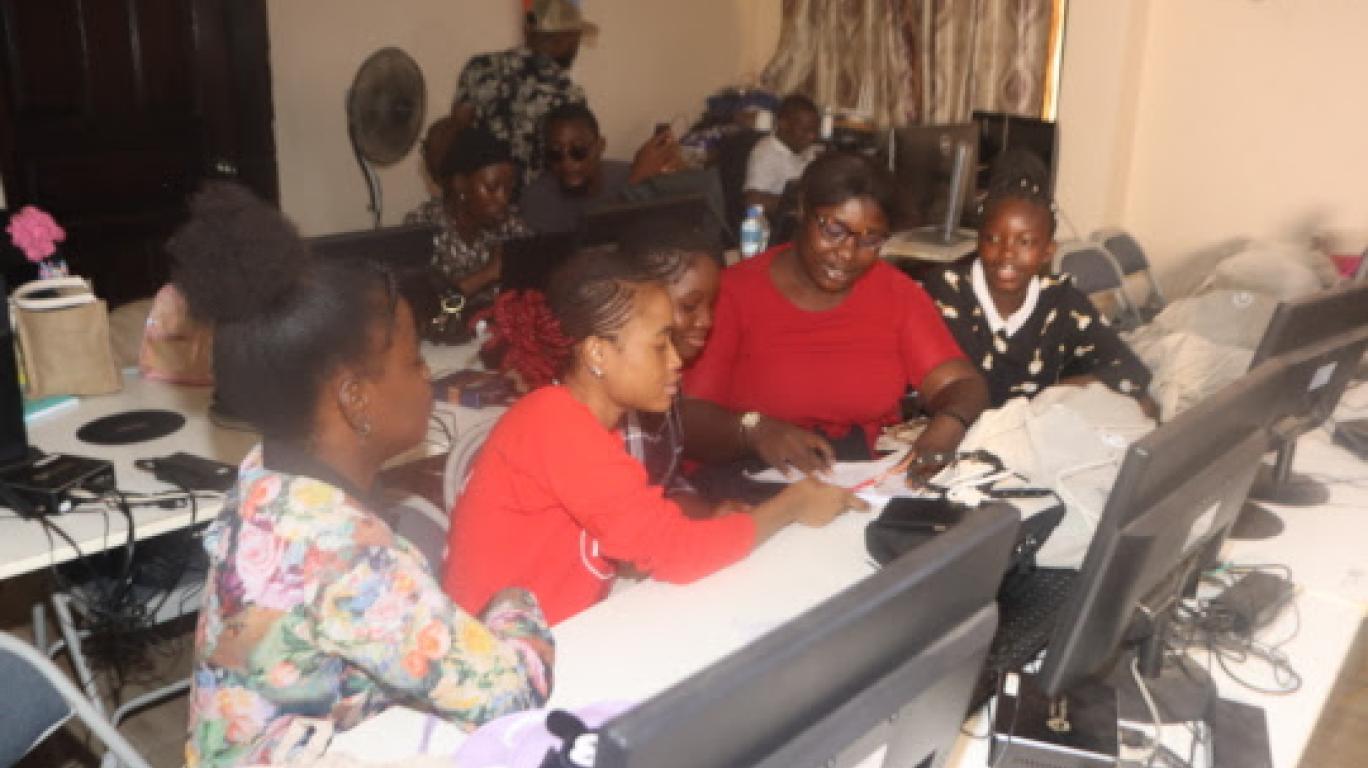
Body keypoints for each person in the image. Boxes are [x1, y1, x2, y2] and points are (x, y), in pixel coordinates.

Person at [173, 183, 552, 768]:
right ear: (355, 397)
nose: (428, 377)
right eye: (415, 361)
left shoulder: (264, 475)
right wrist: (513, 598)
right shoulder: (351, 557)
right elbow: (512, 691)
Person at [444, 247, 866, 625]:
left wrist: (708, 528)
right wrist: (791, 505)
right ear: (597, 353)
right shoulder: (555, 424)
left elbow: (634, 537)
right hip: (505, 668)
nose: (677, 360)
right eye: (659, 345)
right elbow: (677, 554)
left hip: (563, 641)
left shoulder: (585, 425)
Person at [685, 152, 989, 463]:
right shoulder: (733, 293)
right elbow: (689, 415)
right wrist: (754, 431)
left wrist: (948, 425)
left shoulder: (895, 292)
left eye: (871, 239)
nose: (847, 253)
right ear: (803, 210)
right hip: (752, 475)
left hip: (860, 479)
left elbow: (962, 383)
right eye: (833, 230)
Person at [921, 153, 1158, 415]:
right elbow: (984, 391)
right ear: (978, 241)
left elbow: (1131, 373)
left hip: (1032, 438)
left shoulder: (1061, 300)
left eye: (1025, 242)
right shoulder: (948, 290)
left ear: (1047, 251)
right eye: (993, 239)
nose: (1007, 254)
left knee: (1147, 408)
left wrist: (1060, 391)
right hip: (959, 437)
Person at [451, 0, 595, 185]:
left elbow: (456, 136)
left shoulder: (479, 67)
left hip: (483, 200)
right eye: (576, 40)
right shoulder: (568, 95)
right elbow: (571, 166)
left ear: (527, 31)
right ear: (567, 38)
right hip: (536, 204)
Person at [405, 125, 529, 310]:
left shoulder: (510, 225)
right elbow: (426, 307)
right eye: (492, 188)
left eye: (509, 188)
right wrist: (488, 273)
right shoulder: (422, 228)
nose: (503, 199)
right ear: (460, 185)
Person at [519, 102, 681, 234]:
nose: (566, 163)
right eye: (555, 154)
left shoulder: (626, 173)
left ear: (600, 146)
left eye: (578, 151)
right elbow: (578, 250)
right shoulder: (536, 198)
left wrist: (683, 174)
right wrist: (633, 184)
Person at [742, 94, 821, 218]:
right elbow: (753, 203)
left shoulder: (807, 148)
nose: (812, 137)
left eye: (815, 131)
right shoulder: (766, 153)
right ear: (783, 124)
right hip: (780, 226)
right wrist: (799, 203)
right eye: (805, 130)